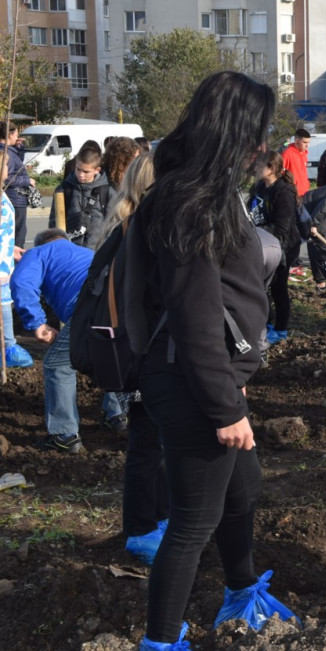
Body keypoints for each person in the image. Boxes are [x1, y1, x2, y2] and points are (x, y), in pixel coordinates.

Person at [126, 71, 297, 649]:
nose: (264, 145)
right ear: (233, 130)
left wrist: (234, 384)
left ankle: (241, 592)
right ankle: (161, 641)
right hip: (191, 382)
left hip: (210, 378)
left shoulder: (205, 190)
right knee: (193, 521)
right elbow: (196, 316)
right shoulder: (190, 201)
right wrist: (224, 406)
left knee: (243, 488)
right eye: (258, 131)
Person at [97, 153, 171, 564]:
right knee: (147, 442)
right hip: (144, 354)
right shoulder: (140, 230)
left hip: (132, 351)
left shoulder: (121, 222)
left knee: (152, 440)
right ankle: (142, 528)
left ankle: (153, 520)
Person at [10, 228, 127, 452]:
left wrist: (37, 324)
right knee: (111, 360)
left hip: (87, 307)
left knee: (58, 365)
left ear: (40, 243)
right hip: (118, 307)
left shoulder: (38, 253)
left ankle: (64, 436)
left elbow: (21, 283)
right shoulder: (84, 252)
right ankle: (117, 415)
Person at [248, 151, 302, 345]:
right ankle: (267, 322)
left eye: (259, 165)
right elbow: (250, 212)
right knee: (261, 287)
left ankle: (280, 329)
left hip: (283, 247)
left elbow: (282, 227)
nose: (255, 168)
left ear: (271, 168)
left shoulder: (283, 191)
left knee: (278, 288)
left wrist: (254, 230)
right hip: (262, 244)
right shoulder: (259, 187)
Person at [51, 142, 115, 249]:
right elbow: (54, 222)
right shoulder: (63, 189)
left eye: (86, 171)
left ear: (97, 170)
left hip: (97, 252)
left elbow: (113, 225)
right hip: (70, 251)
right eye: (78, 169)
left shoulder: (107, 191)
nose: (81, 174)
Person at [1, 177, 33, 368]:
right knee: (3, 305)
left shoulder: (3, 192)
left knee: (4, 303)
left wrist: (9, 249)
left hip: (4, 261)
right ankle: (8, 346)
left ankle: (7, 346)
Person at [2, 122, 34, 249]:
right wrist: (27, 181)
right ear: (10, 134)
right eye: (16, 134)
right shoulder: (5, 153)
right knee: (18, 235)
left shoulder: (8, 150)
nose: (17, 137)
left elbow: (16, 165)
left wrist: (19, 148)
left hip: (14, 198)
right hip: (14, 198)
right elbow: (6, 178)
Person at [281, 128, 311, 197]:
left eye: (308, 142)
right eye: (305, 142)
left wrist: (307, 184)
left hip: (305, 192)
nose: (307, 145)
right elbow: (280, 173)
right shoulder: (287, 154)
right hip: (293, 193)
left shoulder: (304, 154)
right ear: (297, 141)